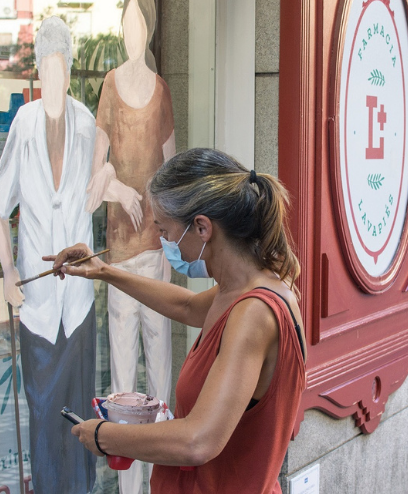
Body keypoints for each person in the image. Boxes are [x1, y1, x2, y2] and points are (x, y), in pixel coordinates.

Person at [47, 148, 307, 493]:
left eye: (165, 229)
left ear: (202, 227)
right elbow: (186, 306)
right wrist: (105, 272)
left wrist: (105, 435)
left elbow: (197, 441)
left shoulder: (254, 312)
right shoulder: (244, 288)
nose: (162, 240)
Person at [0, 16, 97, 493]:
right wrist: (10, 271)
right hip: (36, 307)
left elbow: (97, 195)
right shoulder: (25, 123)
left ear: (69, 71)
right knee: (42, 416)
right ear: (37, 72)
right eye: (45, 70)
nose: (53, 79)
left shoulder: (88, 122)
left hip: (78, 306)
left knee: (81, 421)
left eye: (60, 68)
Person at [84, 0, 176, 492]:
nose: (130, 33)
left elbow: (173, 174)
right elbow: (92, 178)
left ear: (150, 27)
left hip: (157, 252)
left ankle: (161, 481)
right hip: (119, 255)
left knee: (159, 371)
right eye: (125, 24)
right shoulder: (109, 87)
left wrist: (170, 239)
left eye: (138, 23)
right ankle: (126, 486)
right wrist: (116, 186)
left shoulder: (160, 91)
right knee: (123, 382)